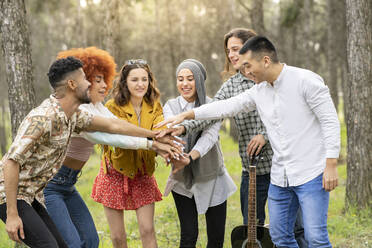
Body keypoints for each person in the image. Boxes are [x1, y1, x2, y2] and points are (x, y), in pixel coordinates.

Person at [156, 36, 340, 248]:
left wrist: (331, 164)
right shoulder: (258, 91)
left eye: (248, 66)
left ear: (265, 60)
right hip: (281, 178)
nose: (245, 71)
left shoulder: (306, 80)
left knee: (316, 238)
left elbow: (330, 121)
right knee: (280, 237)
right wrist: (186, 117)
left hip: (311, 174)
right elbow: (226, 106)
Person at [0, 56, 178, 248]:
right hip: (10, 195)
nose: (89, 84)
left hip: (32, 193)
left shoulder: (74, 115)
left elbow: (113, 125)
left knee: (66, 244)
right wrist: (12, 214)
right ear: (71, 84)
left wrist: (153, 135)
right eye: (85, 79)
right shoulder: (43, 118)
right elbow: (11, 162)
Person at [174, 28, 273, 227]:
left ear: (251, 48)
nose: (231, 55)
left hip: (281, 167)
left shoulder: (270, 77)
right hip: (252, 170)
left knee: (292, 229)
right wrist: (183, 128)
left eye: (236, 49)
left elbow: (286, 115)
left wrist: (264, 134)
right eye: (228, 50)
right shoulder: (232, 85)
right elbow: (211, 112)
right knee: (252, 229)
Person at [91, 59, 166, 248]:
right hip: (115, 173)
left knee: (147, 229)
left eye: (144, 79)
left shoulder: (155, 105)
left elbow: (161, 132)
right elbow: (117, 137)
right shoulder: (112, 107)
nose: (140, 84)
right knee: (118, 237)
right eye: (134, 80)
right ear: (125, 83)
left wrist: (168, 147)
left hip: (143, 172)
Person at [163, 59, 237, 248]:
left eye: (190, 78)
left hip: (212, 176)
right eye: (180, 79)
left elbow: (210, 137)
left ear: (199, 80)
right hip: (182, 178)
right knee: (188, 235)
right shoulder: (170, 106)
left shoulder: (212, 105)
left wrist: (191, 156)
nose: (184, 84)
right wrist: (179, 155)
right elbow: (173, 134)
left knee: (216, 237)